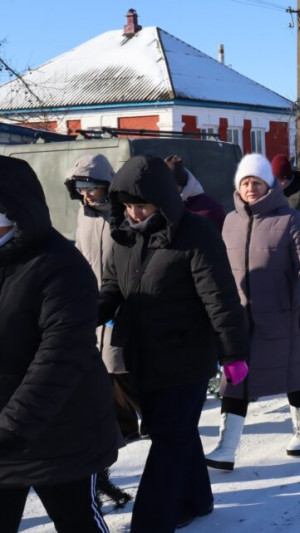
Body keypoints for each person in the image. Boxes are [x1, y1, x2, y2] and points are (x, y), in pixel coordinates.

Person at [98, 155, 249, 531]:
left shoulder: (196, 233)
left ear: (164, 200)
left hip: (187, 355)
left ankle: (151, 521)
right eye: (128, 205)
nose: (134, 213)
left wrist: (233, 351)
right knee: (176, 431)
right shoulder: (123, 235)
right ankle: (198, 499)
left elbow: (220, 296)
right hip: (142, 354)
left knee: (168, 437)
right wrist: (88, 312)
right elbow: (112, 288)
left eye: (142, 205)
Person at [0, 155, 118, 533]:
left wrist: (11, 428)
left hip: (62, 432)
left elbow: (59, 356)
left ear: (14, 209)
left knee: (77, 522)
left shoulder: (59, 266)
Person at [206, 154, 300, 470]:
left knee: (294, 373)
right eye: (245, 183)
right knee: (235, 377)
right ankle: (227, 446)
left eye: (257, 182)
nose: (251, 188)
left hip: (284, 313)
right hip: (239, 317)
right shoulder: (230, 221)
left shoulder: (290, 220)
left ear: (269, 186)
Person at [64, 153, 134, 508]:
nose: (86, 193)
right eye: (80, 186)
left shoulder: (121, 214)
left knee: (122, 384)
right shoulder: (83, 215)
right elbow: (82, 257)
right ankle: (103, 474)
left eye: (92, 186)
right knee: (99, 394)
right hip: (91, 313)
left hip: (121, 310)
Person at [164, 154, 226, 231]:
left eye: (168, 185)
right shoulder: (161, 207)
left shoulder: (212, 210)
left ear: (179, 185)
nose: (165, 190)